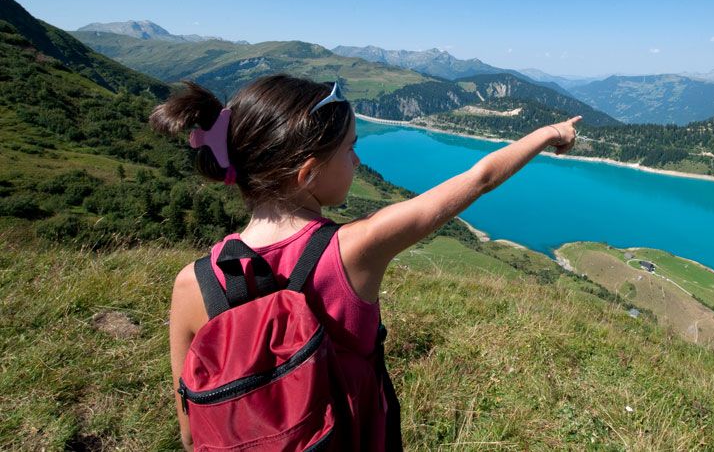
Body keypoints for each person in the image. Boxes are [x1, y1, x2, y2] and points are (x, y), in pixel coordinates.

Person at [150, 74, 580, 451]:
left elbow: (189, 429)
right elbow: (481, 177)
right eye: (350, 148)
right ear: (308, 174)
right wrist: (548, 133)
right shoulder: (354, 249)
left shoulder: (193, 282)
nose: (357, 160)